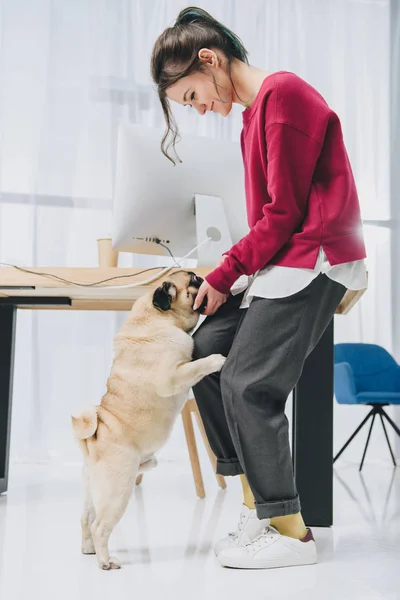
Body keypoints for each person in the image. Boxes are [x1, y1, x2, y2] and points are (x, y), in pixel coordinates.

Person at [150, 6, 367, 570]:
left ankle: (292, 533)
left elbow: (285, 213)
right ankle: (257, 503)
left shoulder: (284, 96)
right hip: (285, 259)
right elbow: (270, 221)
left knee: (248, 384)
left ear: (210, 59)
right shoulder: (254, 116)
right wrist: (231, 275)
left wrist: (225, 275)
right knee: (202, 352)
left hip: (315, 255)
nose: (200, 110)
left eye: (193, 96)